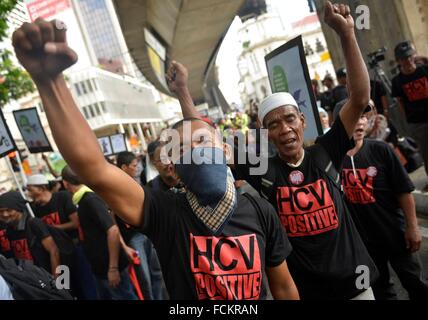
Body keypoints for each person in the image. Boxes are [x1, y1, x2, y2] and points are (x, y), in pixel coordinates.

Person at [12, 18, 300, 300]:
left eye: (202, 142)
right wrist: (50, 83)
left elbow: (284, 287)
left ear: (225, 151)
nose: (197, 152)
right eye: (183, 149)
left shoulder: (259, 210)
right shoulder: (165, 212)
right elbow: (94, 169)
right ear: (173, 164)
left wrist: (184, 94)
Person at [190, 2, 375, 300]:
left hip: (355, 283)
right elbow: (204, 145)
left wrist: (347, 33)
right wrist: (187, 95)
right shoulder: (262, 168)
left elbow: (360, 97)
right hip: (304, 291)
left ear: (302, 121)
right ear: (265, 134)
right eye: (274, 124)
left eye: (290, 119)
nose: (285, 129)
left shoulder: (326, 152)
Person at [340, 105, 428, 300]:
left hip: (395, 234)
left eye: (364, 117)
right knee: (381, 291)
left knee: (415, 282)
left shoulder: (381, 150)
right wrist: (258, 137)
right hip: (364, 245)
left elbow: (404, 192)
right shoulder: (333, 160)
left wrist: (412, 227)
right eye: (355, 117)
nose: (361, 122)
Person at [61, 166, 137, 300]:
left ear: (65, 183)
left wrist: (113, 268)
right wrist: (124, 247)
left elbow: (112, 230)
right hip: (101, 269)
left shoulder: (90, 200)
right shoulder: (82, 200)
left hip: (110, 269)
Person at [116, 149, 168, 300]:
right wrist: (124, 245)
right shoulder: (115, 187)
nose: (137, 167)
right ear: (124, 167)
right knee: (144, 277)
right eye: (133, 165)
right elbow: (111, 220)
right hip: (134, 237)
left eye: (137, 164)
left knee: (157, 273)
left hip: (148, 233)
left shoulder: (138, 181)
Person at [0, 192, 74, 278]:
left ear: (19, 208)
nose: (5, 214)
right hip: (33, 278)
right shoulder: (10, 230)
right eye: (1, 211)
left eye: (9, 210)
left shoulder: (34, 223)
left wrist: (56, 279)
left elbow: (54, 250)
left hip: (48, 276)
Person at [391, 40, 428, 193]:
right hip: (417, 121)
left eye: (410, 56)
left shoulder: (425, 70)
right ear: (399, 61)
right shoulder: (397, 81)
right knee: (426, 152)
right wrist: (408, 119)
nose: (408, 60)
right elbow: (400, 102)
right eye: (404, 58)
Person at [26, 174, 79, 241]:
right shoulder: (33, 209)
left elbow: (76, 223)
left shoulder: (63, 197)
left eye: (30, 190)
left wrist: (54, 228)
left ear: (41, 188)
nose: (28, 194)